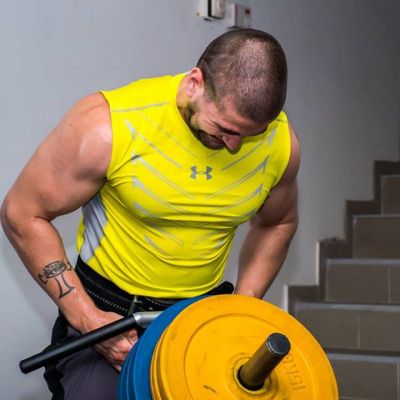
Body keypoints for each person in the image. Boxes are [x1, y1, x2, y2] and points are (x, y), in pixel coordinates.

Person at [1, 28, 299, 399]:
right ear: (195, 83)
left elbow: (277, 223)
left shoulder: (280, 144)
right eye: (224, 129)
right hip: (110, 312)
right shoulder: (109, 126)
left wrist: (243, 305)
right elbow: (22, 213)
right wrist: (87, 319)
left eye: (250, 134)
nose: (235, 146)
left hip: (199, 317)